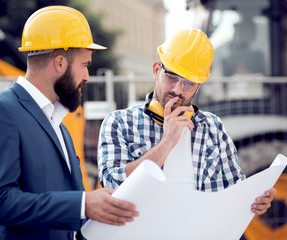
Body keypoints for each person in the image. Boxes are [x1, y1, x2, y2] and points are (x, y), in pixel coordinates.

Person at [0, 6, 138, 240]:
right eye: (84, 65)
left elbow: (64, 210)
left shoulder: (60, 127)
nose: (87, 76)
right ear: (60, 63)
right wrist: (83, 204)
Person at [97, 29, 276, 215]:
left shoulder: (213, 128)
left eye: (189, 83)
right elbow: (112, 183)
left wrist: (255, 201)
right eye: (172, 77)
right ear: (156, 70)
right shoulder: (119, 123)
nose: (177, 89)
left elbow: (234, 189)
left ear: (198, 87)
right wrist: (166, 143)